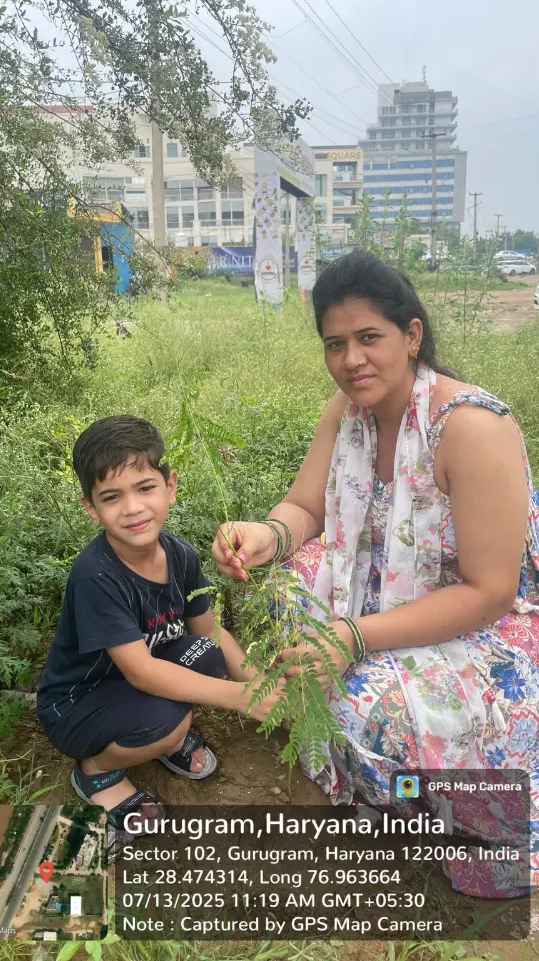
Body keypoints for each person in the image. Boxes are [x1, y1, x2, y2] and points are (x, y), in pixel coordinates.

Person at [212, 251, 539, 897]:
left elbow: (490, 591)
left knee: (360, 700)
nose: (351, 360)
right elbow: (306, 508)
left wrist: (354, 637)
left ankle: (465, 810)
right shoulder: (348, 410)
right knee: (277, 595)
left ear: (411, 335)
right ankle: (376, 772)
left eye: (368, 338)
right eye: (335, 344)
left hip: (488, 626)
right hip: (382, 593)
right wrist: (264, 536)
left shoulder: (471, 427)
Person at [37, 415, 281, 861]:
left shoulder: (180, 554)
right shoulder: (95, 575)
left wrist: (261, 686)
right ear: (91, 508)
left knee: (208, 654)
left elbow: (210, 631)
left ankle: (159, 733)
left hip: (134, 683)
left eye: (145, 487)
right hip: (77, 703)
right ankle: (97, 771)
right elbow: (143, 673)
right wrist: (240, 697)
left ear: (170, 486)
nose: (132, 508)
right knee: (166, 722)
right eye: (112, 497)